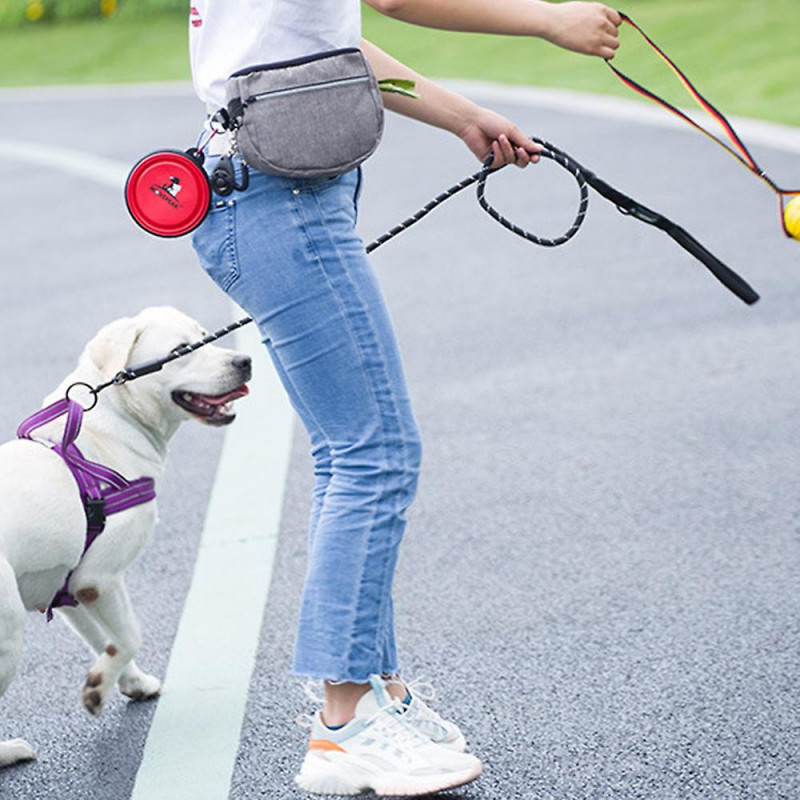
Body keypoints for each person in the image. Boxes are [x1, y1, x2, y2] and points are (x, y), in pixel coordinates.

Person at [188, 1, 621, 795]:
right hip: (278, 199)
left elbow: (334, 39)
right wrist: (549, 20)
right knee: (374, 452)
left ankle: (371, 694)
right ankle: (344, 726)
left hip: (264, 190)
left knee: (348, 451)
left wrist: (461, 116)